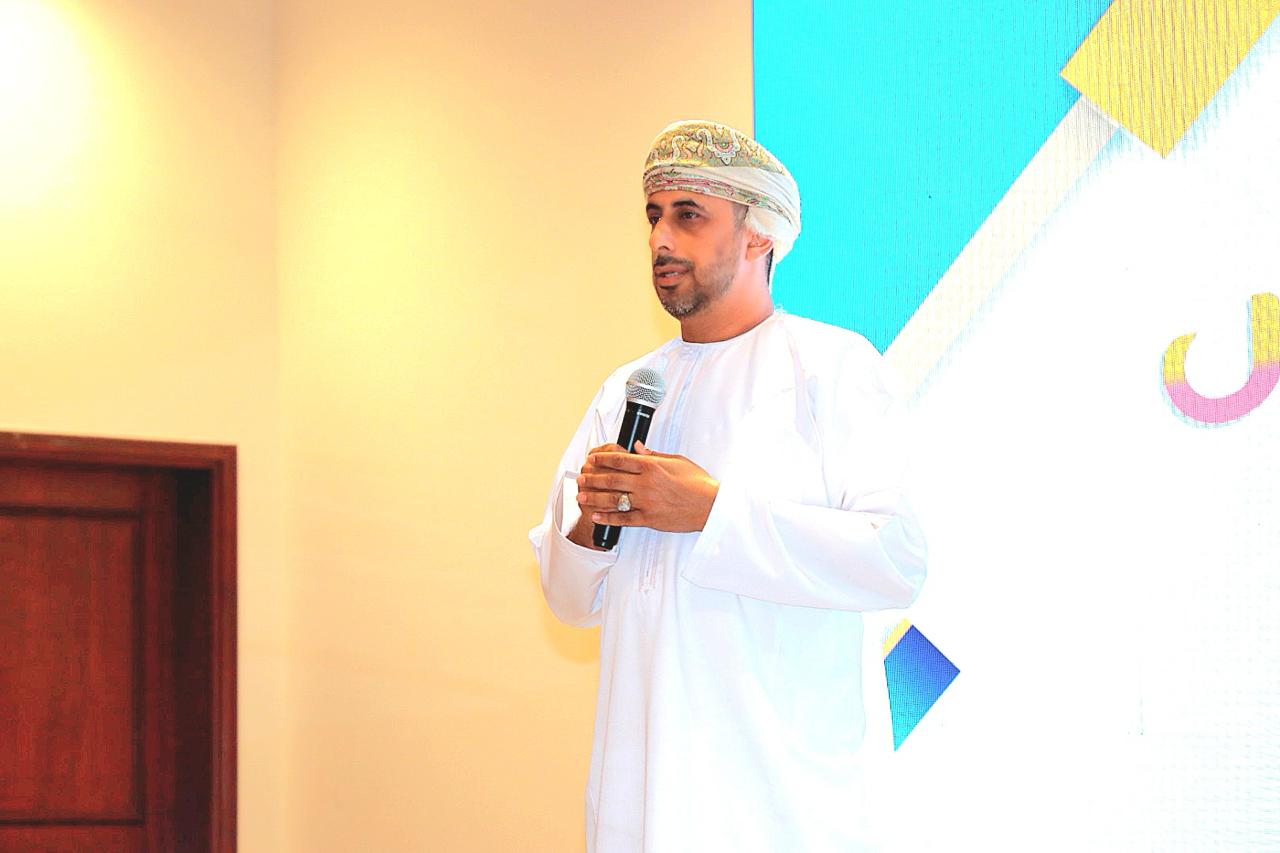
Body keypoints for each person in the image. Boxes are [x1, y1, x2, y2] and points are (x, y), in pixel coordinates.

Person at [529, 119, 928, 852]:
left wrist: (711, 511)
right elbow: (567, 599)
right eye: (654, 216)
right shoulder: (626, 391)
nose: (660, 240)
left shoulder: (832, 369)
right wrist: (586, 525)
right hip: (641, 795)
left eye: (689, 215)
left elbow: (896, 558)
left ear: (759, 234)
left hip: (782, 809)